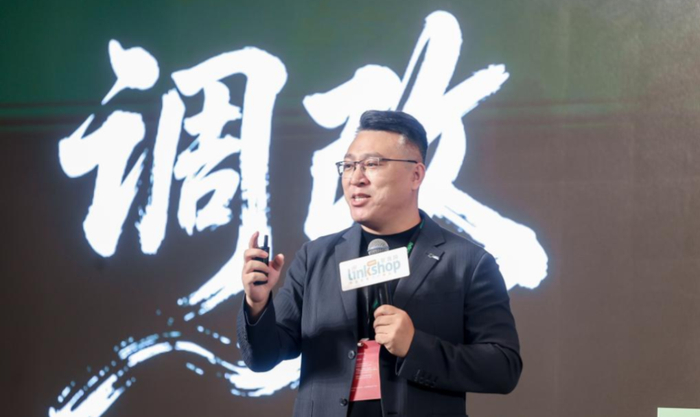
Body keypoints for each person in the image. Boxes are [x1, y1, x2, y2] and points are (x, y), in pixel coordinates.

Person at [237, 110, 522, 417]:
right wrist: (258, 304)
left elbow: (503, 368)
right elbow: (263, 357)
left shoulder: (467, 262)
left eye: (372, 164)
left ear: (416, 175)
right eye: (348, 165)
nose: (356, 178)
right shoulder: (316, 257)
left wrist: (415, 346)